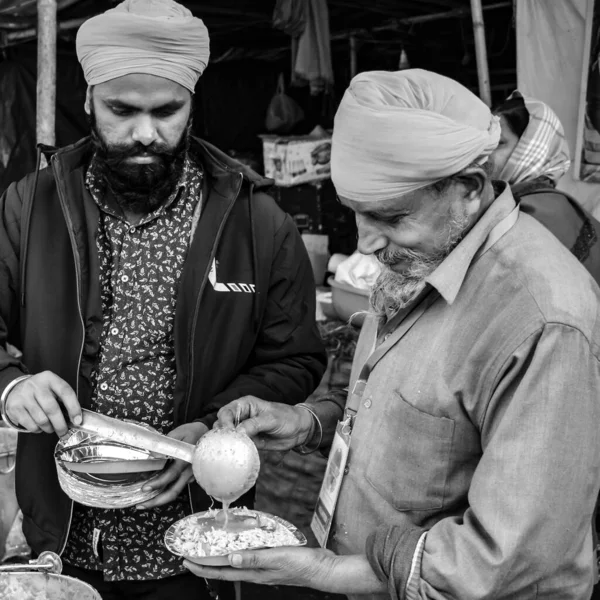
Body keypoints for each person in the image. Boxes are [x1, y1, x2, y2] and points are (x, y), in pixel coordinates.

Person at [184, 69, 600, 600]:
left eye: (390, 216)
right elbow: (406, 406)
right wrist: (307, 422)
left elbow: (507, 564)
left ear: (469, 189)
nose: (365, 243)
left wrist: (321, 572)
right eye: (354, 213)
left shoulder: (541, 320)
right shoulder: (423, 257)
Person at [0, 0, 327, 598]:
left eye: (166, 111)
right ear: (90, 99)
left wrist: (214, 420)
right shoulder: (29, 206)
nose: (145, 133)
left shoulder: (257, 222)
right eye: (122, 111)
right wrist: (12, 382)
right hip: (63, 529)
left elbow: (296, 358)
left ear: (192, 104)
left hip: (195, 533)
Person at [491, 91, 600, 282]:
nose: (484, 152)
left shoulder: (522, 214)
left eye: (499, 143)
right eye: (485, 141)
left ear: (531, 148)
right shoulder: (550, 199)